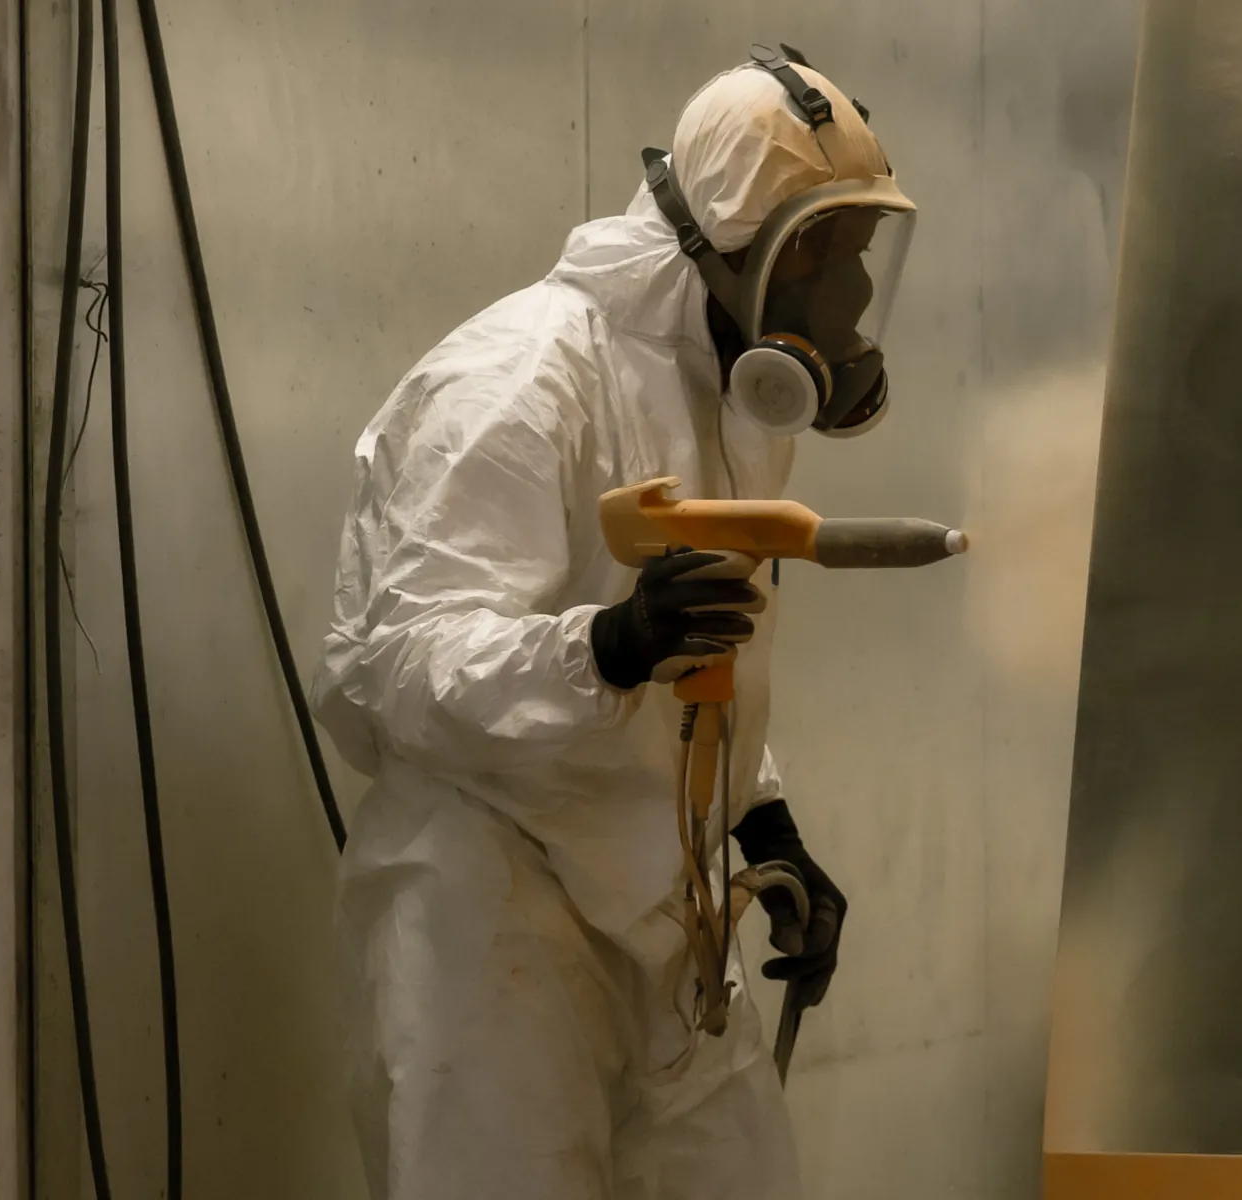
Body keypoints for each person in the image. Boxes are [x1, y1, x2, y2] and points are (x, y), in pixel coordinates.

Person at [312, 44, 917, 1200]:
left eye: (855, 251)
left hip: (664, 905)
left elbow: (705, 649)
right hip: (496, 906)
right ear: (721, 248)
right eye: (817, 253)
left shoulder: (730, 391)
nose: (844, 296)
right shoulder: (518, 381)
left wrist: (765, 826)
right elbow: (404, 665)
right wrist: (604, 645)